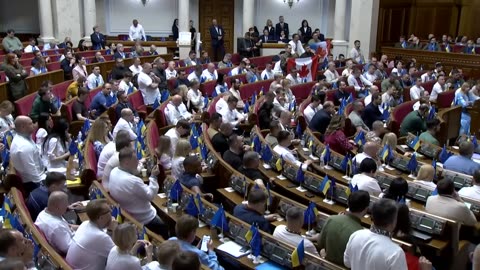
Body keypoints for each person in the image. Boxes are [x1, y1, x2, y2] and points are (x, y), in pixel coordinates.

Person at [109, 148, 168, 238]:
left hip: (129, 211)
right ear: (127, 162)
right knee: (165, 227)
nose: (137, 162)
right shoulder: (133, 181)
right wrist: (153, 177)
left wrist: (141, 162)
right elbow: (151, 195)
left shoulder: (114, 171)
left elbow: (132, 170)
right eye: (136, 160)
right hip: (144, 218)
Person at [344, 199, 408, 269]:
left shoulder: (356, 235)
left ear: (372, 217)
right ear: (393, 222)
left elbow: (347, 263)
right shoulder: (396, 253)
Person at [319, 190, 370, 265]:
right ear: (366, 209)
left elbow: (320, 244)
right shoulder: (361, 234)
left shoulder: (331, 219)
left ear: (348, 203)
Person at [66, 199, 117, 269]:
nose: (111, 212)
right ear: (100, 217)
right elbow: (118, 256)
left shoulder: (85, 224)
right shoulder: (101, 237)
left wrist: (110, 230)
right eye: (109, 211)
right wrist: (113, 230)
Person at [10, 116, 46, 194]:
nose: (33, 125)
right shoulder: (23, 147)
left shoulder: (24, 136)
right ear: (23, 127)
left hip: (40, 174)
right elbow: (31, 171)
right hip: (33, 183)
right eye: (30, 123)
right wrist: (41, 186)